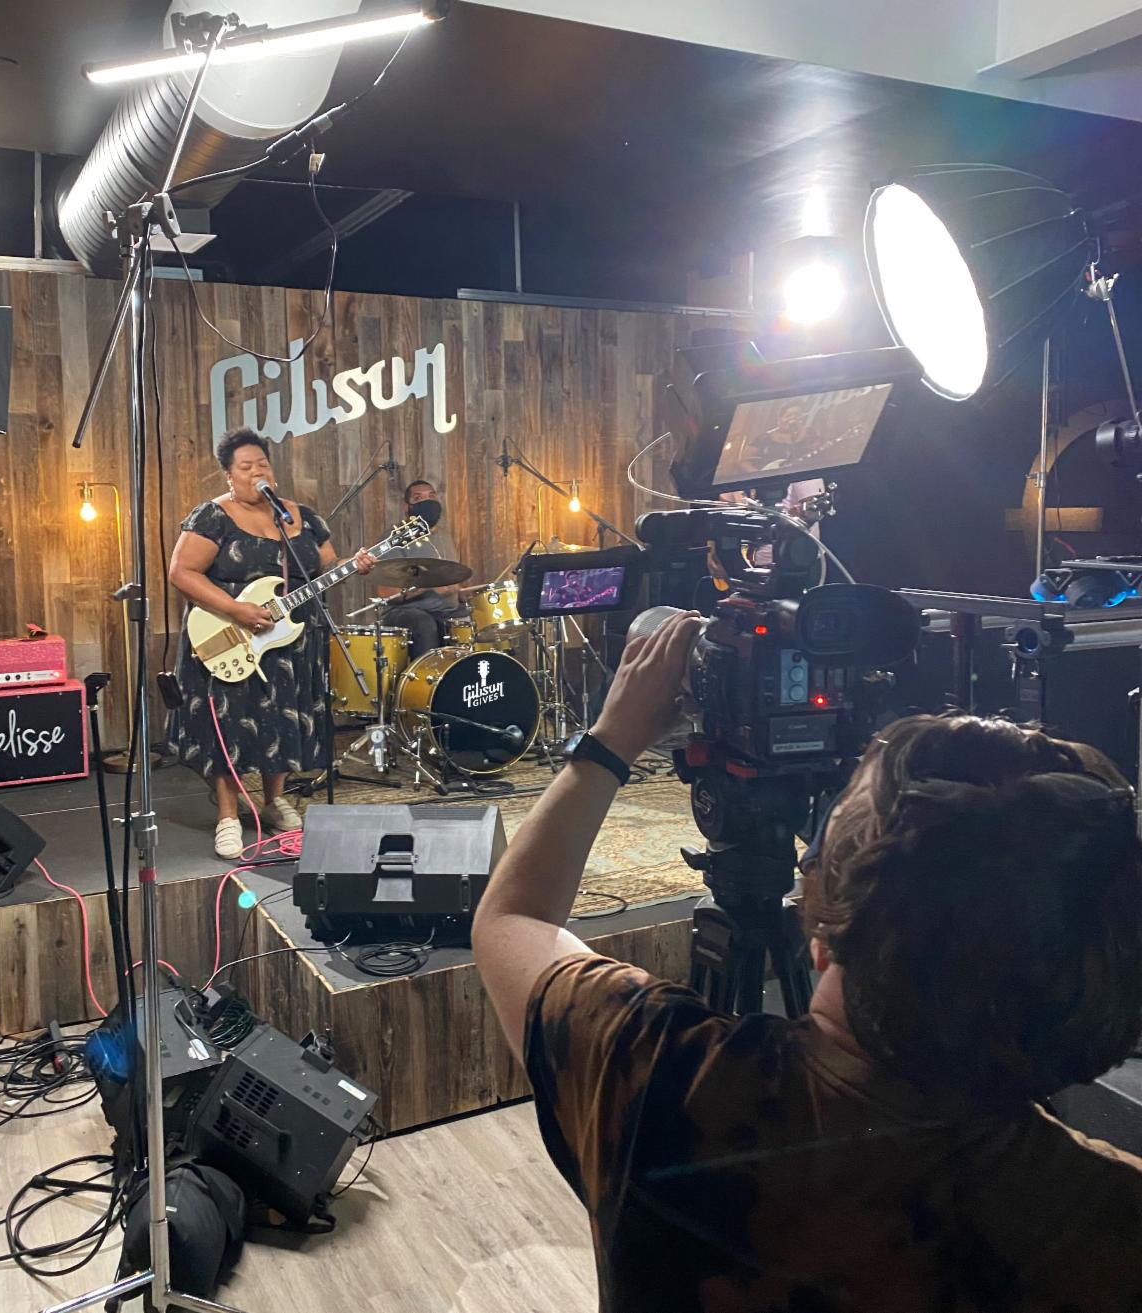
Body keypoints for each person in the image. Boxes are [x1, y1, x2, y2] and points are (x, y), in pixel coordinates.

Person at [472, 612, 1142, 1312]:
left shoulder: (653, 1070)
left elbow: (511, 919)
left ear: (821, 911)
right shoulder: (1114, 1224)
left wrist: (610, 741)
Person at [167, 427, 374, 859]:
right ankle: (227, 813)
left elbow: (324, 568)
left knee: (282, 716)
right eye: (246, 467)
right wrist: (236, 609)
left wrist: (355, 566)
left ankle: (273, 798)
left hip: (290, 637)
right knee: (227, 722)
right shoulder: (212, 516)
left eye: (262, 464)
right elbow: (182, 573)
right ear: (229, 475)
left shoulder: (304, 517)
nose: (256, 471)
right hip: (228, 631)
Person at [380, 478, 465, 656]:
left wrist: (463, 591)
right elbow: (386, 593)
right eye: (419, 499)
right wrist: (430, 585)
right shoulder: (395, 538)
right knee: (424, 623)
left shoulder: (444, 536)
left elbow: (452, 583)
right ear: (406, 507)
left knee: (472, 620)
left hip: (447, 611)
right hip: (408, 612)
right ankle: (426, 681)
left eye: (431, 497)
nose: (427, 502)